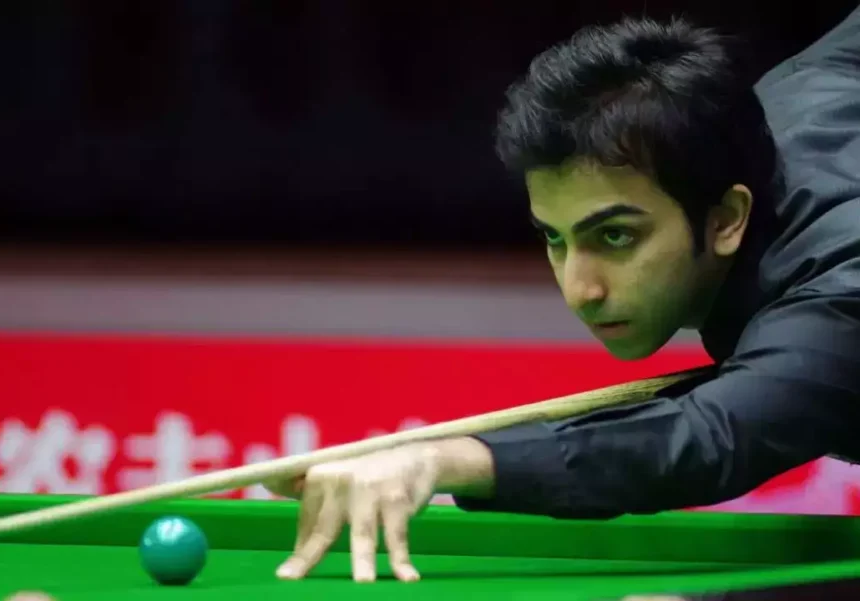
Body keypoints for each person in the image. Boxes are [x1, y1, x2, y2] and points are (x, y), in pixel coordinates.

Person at [264, 9, 860, 584]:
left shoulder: (840, 288)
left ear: (727, 218)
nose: (580, 289)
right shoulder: (802, 93)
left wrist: (443, 461)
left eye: (616, 236)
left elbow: (711, 435)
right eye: (554, 238)